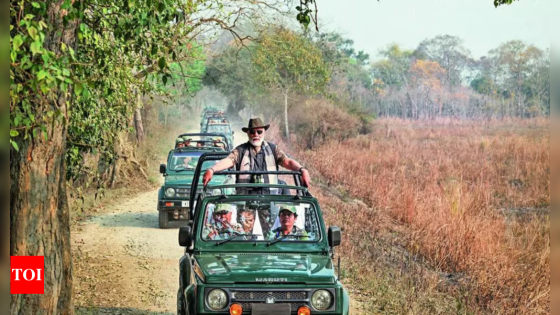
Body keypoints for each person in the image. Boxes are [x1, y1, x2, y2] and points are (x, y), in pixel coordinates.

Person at [202, 118, 311, 192]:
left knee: (273, 226)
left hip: (270, 199)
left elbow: (287, 161)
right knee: (243, 226)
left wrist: (302, 169)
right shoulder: (240, 150)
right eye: (252, 132)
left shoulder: (273, 149)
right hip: (245, 199)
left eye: (259, 132)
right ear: (248, 133)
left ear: (264, 132)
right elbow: (228, 160)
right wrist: (212, 169)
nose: (256, 135)